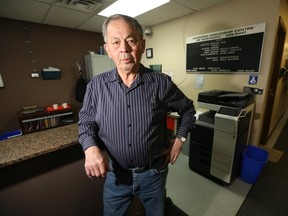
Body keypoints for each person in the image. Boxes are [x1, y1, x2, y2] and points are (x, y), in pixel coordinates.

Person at [78, 14, 196, 216]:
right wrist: (90, 148)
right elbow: (86, 123)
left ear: (141, 44)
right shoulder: (96, 86)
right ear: (108, 50)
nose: (124, 49)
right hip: (116, 176)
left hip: (154, 174)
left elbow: (188, 110)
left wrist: (179, 139)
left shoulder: (161, 83)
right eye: (116, 42)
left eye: (131, 40)